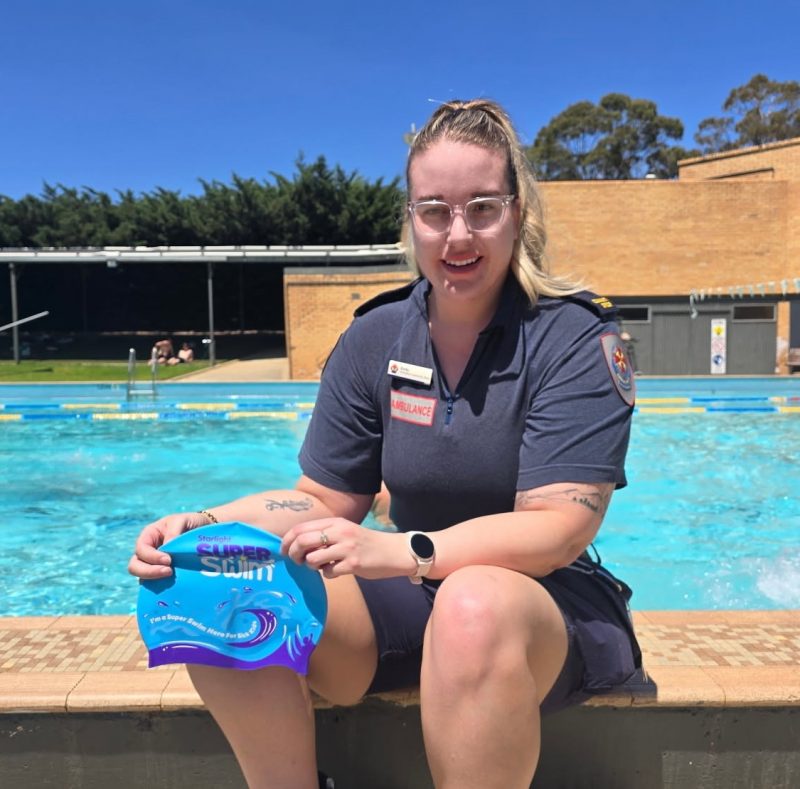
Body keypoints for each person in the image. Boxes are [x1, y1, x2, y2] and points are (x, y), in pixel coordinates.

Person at [130, 98, 641, 789]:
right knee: (211, 573)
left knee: (472, 604)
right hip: (412, 590)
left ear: (518, 213)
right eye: (435, 211)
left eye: (482, 207)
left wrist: (403, 550)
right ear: (412, 220)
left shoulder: (574, 337)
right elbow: (318, 501)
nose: (457, 235)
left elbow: (559, 527)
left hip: (540, 609)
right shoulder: (375, 337)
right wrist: (207, 523)